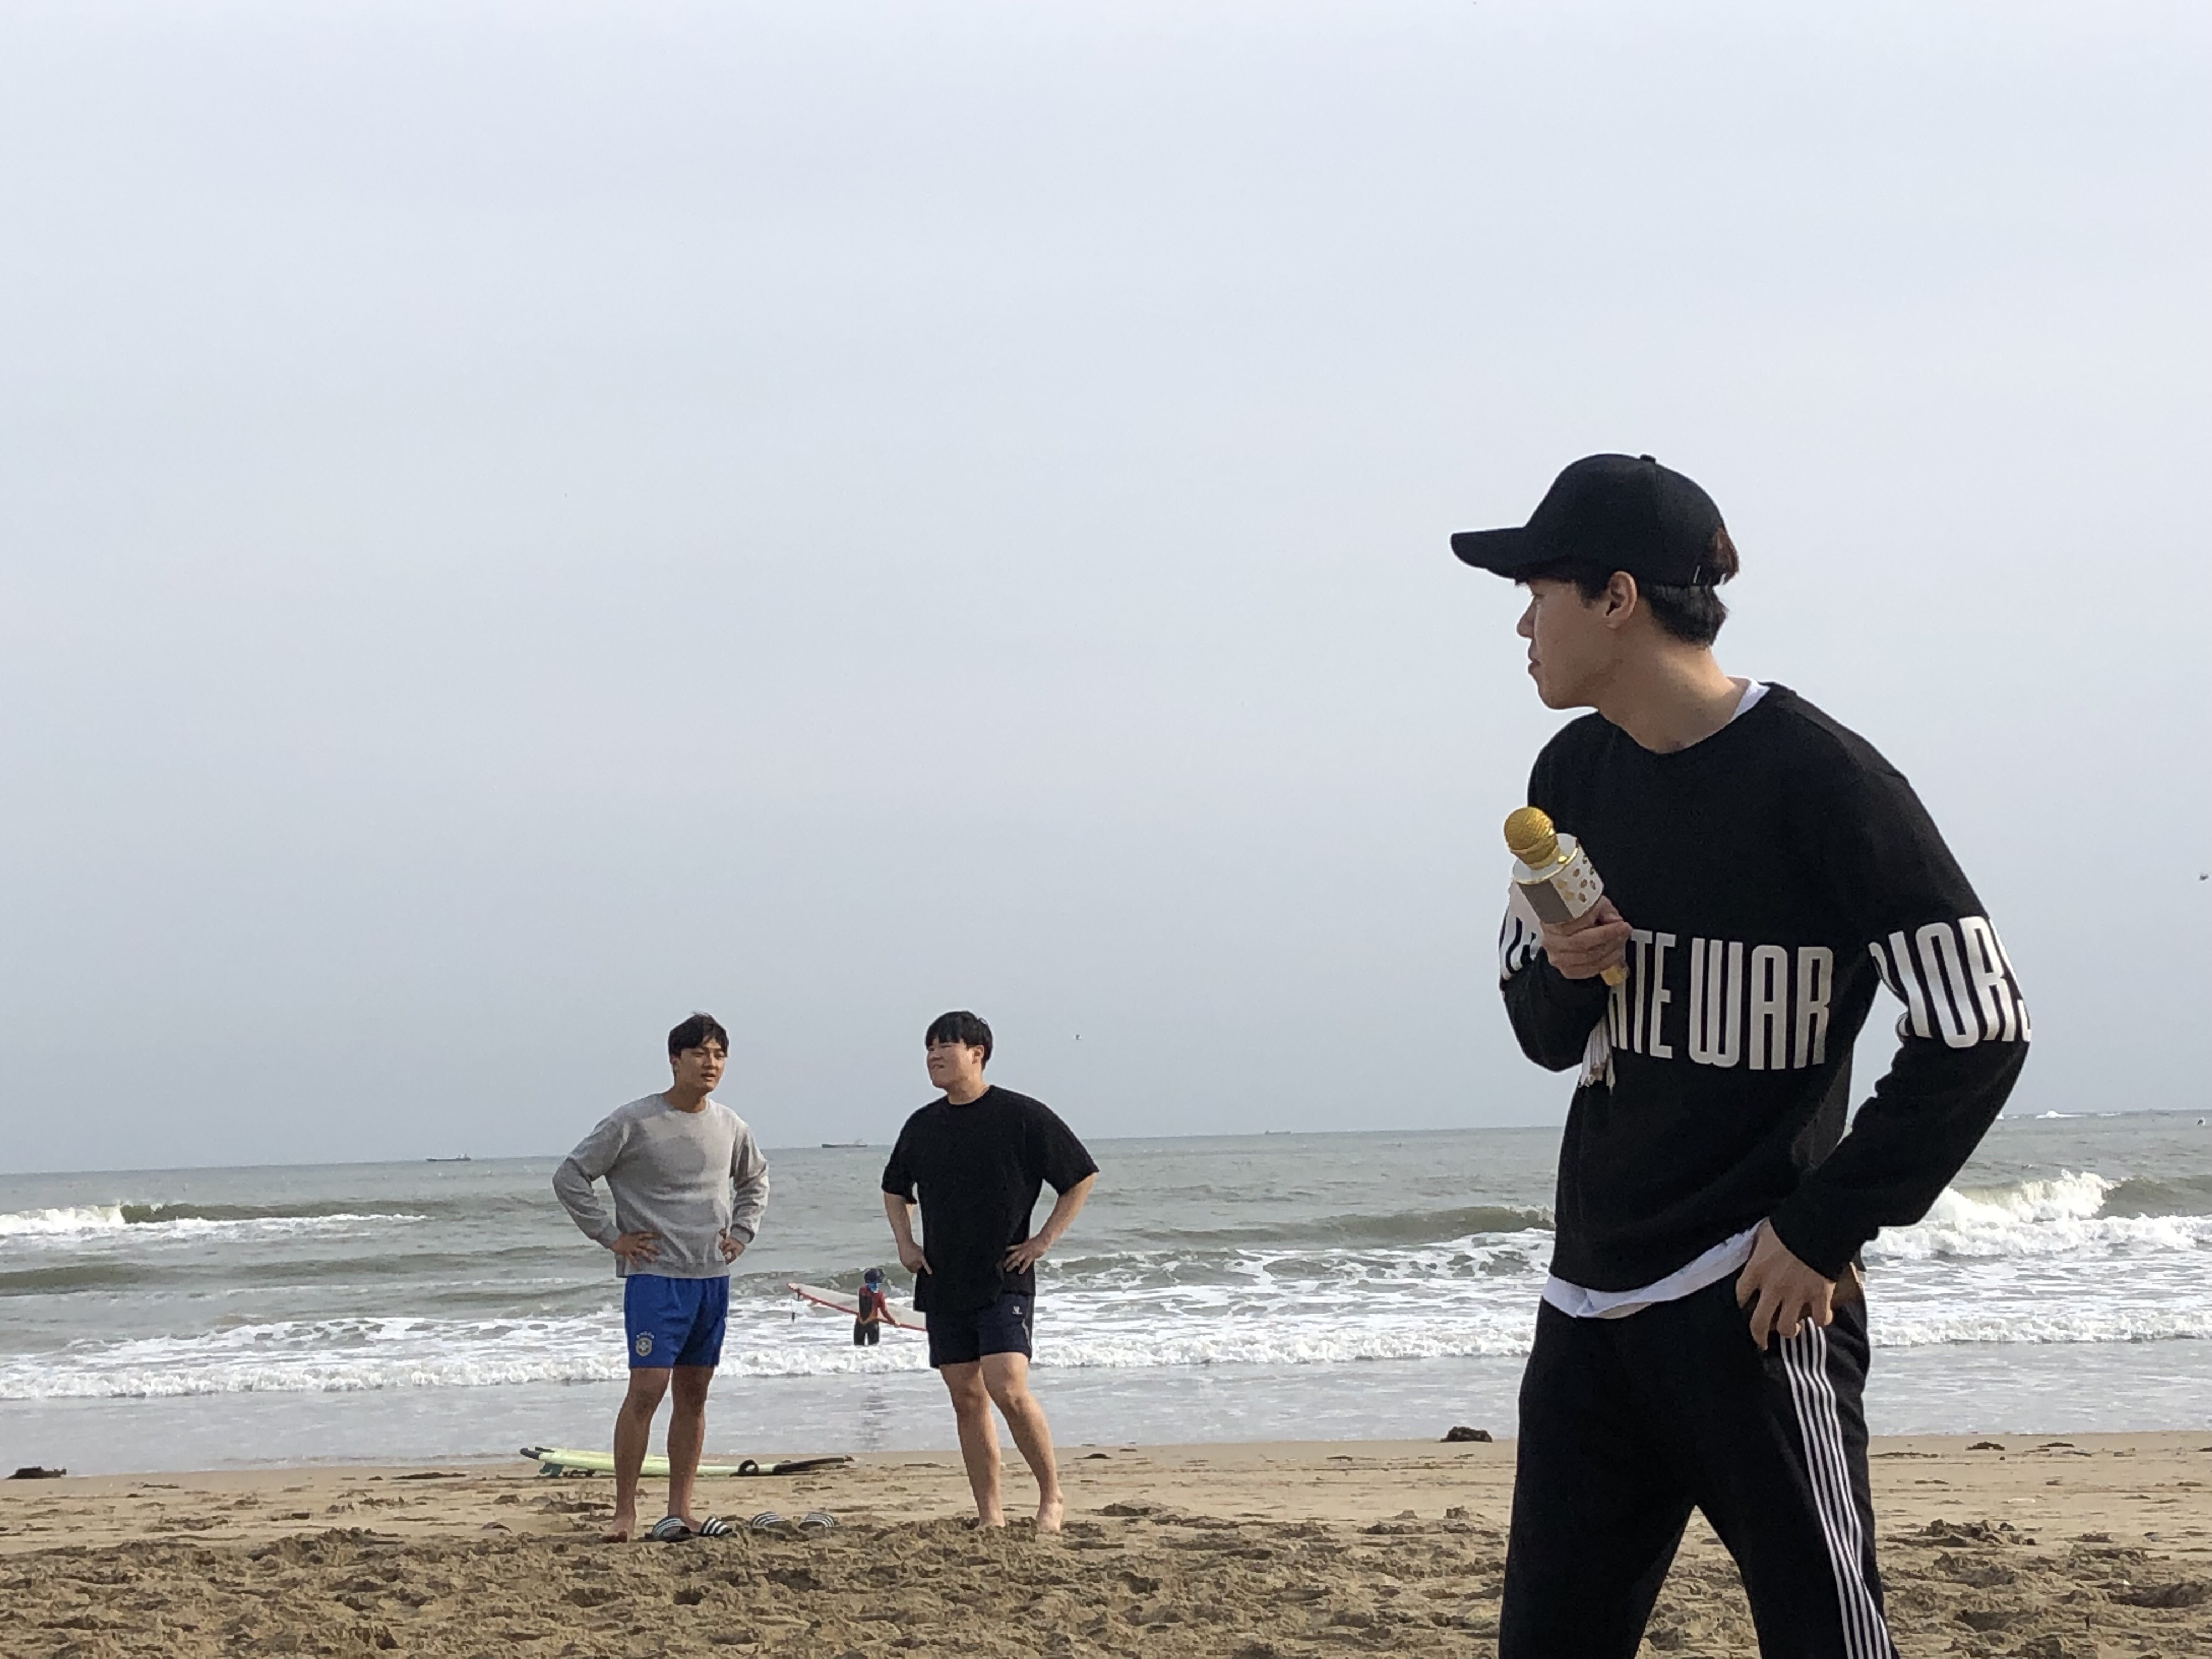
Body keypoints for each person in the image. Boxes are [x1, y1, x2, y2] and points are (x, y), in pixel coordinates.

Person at [1452, 455, 2028, 1658]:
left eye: (1537, 590)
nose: (1520, 623)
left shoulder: (1823, 780)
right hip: (1586, 1306)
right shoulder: (1570, 777)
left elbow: (1978, 1023)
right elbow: (1542, 1034)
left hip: (1752, 1306)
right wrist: (1569, 969)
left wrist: (1824, 1227)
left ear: (1616, 597)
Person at [553, 1012, 770, 1544]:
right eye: (699, 1053)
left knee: (694, 1394)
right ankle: (624, 1511)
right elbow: (571, 1175)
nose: (710, 1063)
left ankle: (680, 1509)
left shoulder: (730, 1125)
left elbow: (755, 1180)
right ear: (675, 1060)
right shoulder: (634, 1121)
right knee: (648, 1388)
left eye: (719, 1054)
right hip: (655, 1277)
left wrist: (742, 1233)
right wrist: (611, 1236)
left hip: (710, 1277)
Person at [881, 1010, 1098, 1533]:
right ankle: (990, 1514)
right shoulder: (923, 1125)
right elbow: (894, 1188)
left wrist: (1043, 1240)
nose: (934, 1056)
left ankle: (1051, 1497)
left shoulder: (1020, 1116)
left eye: (945, 1046)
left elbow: (1079, 1177)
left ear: (976, 1053)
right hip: (943, 1277)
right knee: (966, 1396)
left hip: (1004, 1273)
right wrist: (906, 1244)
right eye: (929, 1047)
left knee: (1008, 1388)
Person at [853, 1267, 888, 1346]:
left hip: (860, 1323)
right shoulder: (879, 1295)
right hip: (872, 1324)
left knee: (858, 1348)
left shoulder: (861, 1291)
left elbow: (863, 1305)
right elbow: (883, 1311)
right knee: (874, 1348)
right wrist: (894, 1322)